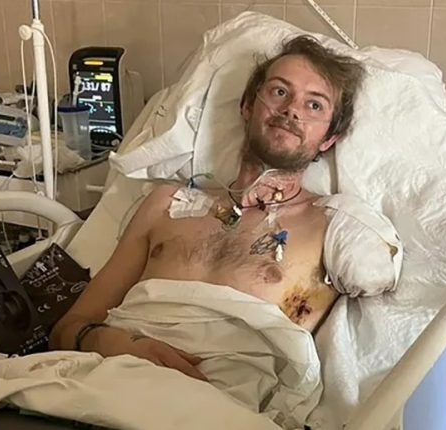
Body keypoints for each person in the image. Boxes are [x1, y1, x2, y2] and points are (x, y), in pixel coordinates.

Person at [50, 35, 365, 382]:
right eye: (279, 91)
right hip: (103, 378)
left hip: (218, 404)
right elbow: (66, 330)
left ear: (329, 139)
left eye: (314, 105)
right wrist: (109, 340)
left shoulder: (332, 228)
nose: (292, 109)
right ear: (247, 106)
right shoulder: (165, 204)